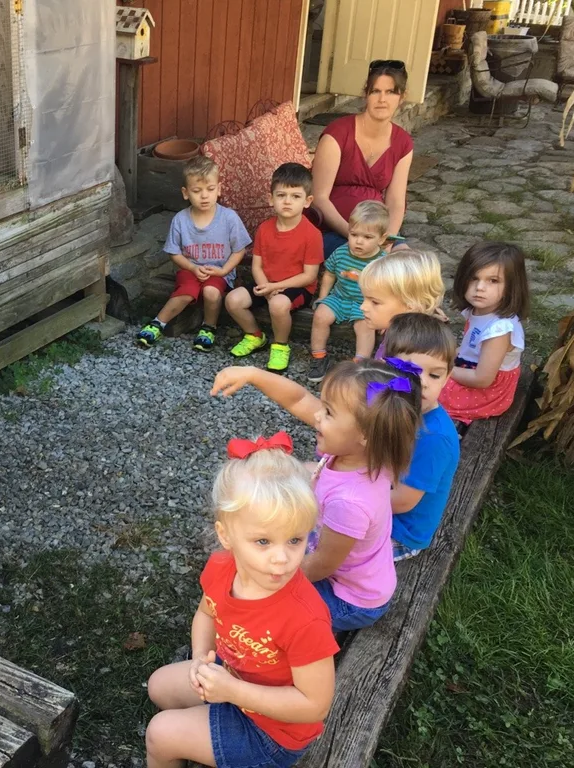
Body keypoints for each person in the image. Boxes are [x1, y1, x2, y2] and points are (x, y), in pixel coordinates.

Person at [144, 435, 338, 768]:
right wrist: (200, 660)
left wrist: (233, 692)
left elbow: (314, 705)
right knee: (159, 686)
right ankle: (204, 729)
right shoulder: (221, 568)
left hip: (273, 733)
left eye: (295, 539)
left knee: (159, 733)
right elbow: (206, 613)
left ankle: (193, 738)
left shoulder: (305, 618)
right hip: (236, 677)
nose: (282, 558)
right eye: (263, 541)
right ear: (226, 535)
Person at [212, 359, 421, 631]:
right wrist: (254, 374)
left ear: (366, 434)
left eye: (329, 412)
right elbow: (299, 399)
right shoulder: (358, 452)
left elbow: (321, 566)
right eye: (323, 407)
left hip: (350, 597)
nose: (318, 416)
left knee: (267, 615)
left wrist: (264, 582)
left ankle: (257, 664)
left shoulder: (350, 503)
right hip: (342, 570)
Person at [136, 156, 252, 352]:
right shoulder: (181, 220)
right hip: (190, 269)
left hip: (218, 272)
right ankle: (158, 323)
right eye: (197, 191)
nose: (204, 196)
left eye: (210, 189)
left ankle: (209, 327)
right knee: (186, 293)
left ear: (219, 189)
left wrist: (224, 270)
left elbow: (239, 249)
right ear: (185, 193)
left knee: (211, 292)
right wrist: (192, 267)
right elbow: (173, 252)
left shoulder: (229, 218)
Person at [224, 162, 324, 372]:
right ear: (271, 199)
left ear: (307, 201)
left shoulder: (312, 234)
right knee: (233, 300)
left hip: (297, 286)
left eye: (295, 196)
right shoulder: (265, 228)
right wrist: (266, 287)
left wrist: (274, 290)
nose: (287, 201)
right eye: (281, 195)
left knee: (278, 304)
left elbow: (309, 276)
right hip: (266, 282)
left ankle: (280, 346)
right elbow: (257, 266)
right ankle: (254, 336)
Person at [311, 60, 414, 257]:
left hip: (376, 231)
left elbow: (395, 201)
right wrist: (356, 236)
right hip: (333, 229)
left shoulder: (403, 143)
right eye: (375, 91)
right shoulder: (338, 134)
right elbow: (319, 198)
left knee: (410, 267)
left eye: (391, 92)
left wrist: (387, 240)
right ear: (366, 94)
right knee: (363, 266)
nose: (382, 99)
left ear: (402, 97)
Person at [381, 314, 461, 561]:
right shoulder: (394, 404)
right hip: (381, 496)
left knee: (315, 541)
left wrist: (348, 495)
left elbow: (403, 503)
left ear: (447, 377)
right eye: (410, 371)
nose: (422, 383)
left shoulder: (434, 437)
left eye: (434, 375)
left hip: (400, 532)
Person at [440, 242, 530, 425]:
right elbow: (470, 347)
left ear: (511, 286)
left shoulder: (499, 331)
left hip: (487, 393)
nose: (480, 287)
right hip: (470, 371)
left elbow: (482, 379)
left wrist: (443, 370)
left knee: (423, 387)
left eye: (493, 281)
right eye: (474, 278)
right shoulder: (479, 311)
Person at [308, 201, 389, 382]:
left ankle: (360, 364)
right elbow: (329, 274)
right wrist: (323, 298)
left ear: (381, 239)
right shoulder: (341, 252)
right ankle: (319, 357)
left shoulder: (382, 262)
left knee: (365, 327)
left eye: (367, 237)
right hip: (339, 296)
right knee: (320, 316)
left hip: (365, 303)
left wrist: (384, 316)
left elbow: (388, 290)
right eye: (354, 235)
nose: (358, 241)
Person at [358, 248, 447, 359]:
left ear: (411, 307)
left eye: (375, 302)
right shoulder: (400, 331)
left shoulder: (410, 352)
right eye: (364, 298)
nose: (362, 307)